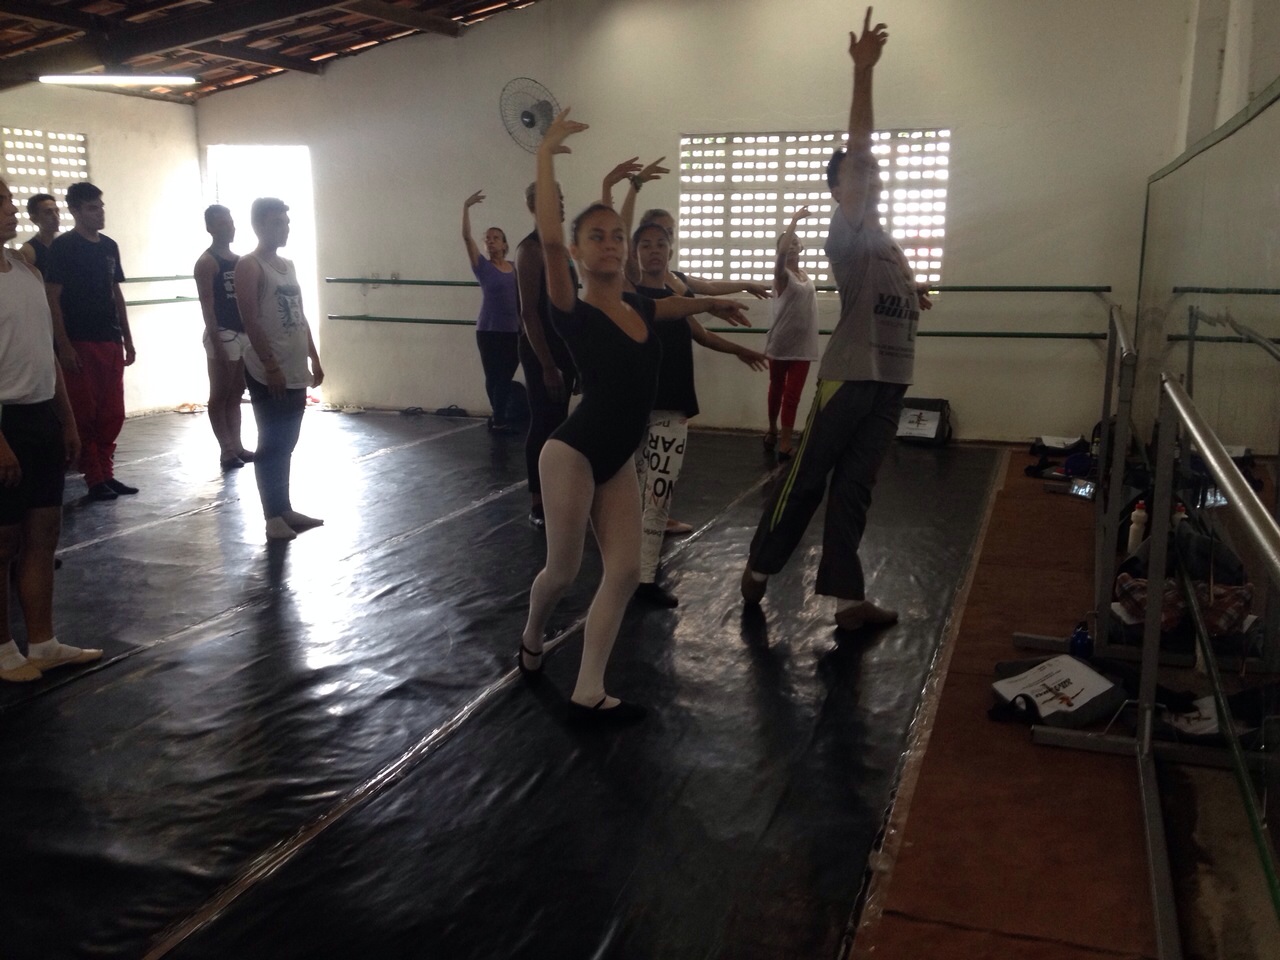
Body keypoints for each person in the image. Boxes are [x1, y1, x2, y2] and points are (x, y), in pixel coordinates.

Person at [518, 110, 750, 723]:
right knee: (564, 570)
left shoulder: (640, 305)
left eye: (616, 236)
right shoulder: (572, 308)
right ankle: (532, 635)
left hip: (617, 459)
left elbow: (674, 304)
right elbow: (547, 241)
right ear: (577, 250)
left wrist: (717, 302)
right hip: (572, 454)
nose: (611, 244)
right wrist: (545, 151)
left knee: (622, 572)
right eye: (597, 236)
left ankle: (588, 690)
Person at [741, 8, 931, 632]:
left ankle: (849, 602)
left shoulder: (884, 240)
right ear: (842, 190)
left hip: (891, 380)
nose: (872, 179)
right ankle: (762, 565)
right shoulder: (846, 231)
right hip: (850, 376)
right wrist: (864, 73)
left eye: (873, 175)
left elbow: (892, 288)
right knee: (808, 480)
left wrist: (913, 293)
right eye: (860, 176)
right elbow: (860, 148)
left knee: (856, 489)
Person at [629, 220, 767, 608]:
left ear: (670, 251)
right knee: (636, 496)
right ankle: (630, 571)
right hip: (633, 409)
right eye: (646, 245)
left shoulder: (679, 297)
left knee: (658, 495)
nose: (654, 251)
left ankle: (644, 579)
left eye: (660, 244)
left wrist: (739, 350)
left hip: (671, 407)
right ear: (635, 253)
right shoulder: (631, 297)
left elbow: (701, 334)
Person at [0, 176, 101, 682]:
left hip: (41, 415)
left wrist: (66, 420)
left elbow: (46, 352)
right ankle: (3, 650)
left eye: (7, 199)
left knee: (43, 534)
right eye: (0, 201)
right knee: (3, 542)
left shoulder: (27, 270)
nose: (10, 207)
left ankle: (42, 642)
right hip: (5, 420)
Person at [233, 198, 324, 542]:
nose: (284, 229)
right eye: (276, 223)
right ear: (259, 226)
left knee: (288, 442)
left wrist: (314, 356)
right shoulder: (249, 265)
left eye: (286, 222)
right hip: (268, 369)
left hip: (294, 365)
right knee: (271, 442)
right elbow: (250, 319)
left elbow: (299, 314)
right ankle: (271, 516)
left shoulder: (288, 265)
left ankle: (283, 508)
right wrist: (270, 365)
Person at [43, 181, 138, 502]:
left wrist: (127, 337)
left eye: (101, 207)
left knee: (113, 412)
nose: (99, 213)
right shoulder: (63, 247)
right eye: (92, 208)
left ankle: (107, 472)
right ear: (75, 211)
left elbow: (115, 292)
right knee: (86, 413)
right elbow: (53, 297)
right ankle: (94, 477)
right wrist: (64, 344)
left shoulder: (109, 246)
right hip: (80, 340)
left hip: (109, 338)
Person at [514, 179, 579, 529]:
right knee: (543, 421)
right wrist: (548, 365)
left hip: (563, 347)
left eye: (562, 197)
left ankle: (556, 491)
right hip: (541, 349)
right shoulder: (530, 250)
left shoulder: (560, 250)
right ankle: (538, 501)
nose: (562, 204)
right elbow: (529, 313)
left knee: (559, 421)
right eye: (555, 199)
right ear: (533, 207)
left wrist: (575, 355)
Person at [194, 204, 255, 470]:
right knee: (220, 393)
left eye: (230, 222)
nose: (228, 227)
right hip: (223, 332)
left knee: (236, 391)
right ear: (210, 228)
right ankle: (226, 450)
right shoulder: (207, 262)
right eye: (221, 223)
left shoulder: (239, 260)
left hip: (241, 332)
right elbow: (207, 305)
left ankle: (237, 445)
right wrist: (216, 340)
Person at [461, 191, 521, 434]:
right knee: (493, 376)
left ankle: (498, 415)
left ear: (505, 244)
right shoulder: (482, 267)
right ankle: (499, 417)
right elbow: (467, 237)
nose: (491, 241)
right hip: (488, 330)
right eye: (488, 239)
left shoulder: (516, 268)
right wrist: (466, 207)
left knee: (505, 375)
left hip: (513, 330)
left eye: (496, 238)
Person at [764, 206, 821, 462]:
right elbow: (782, 252)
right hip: (781, 341)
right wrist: (794, 220)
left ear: (802, 247)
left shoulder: (805, 276)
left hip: (803, 344)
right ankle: (772, 429)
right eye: (790, 242)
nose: (794, 244)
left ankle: (785, 441)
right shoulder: (782, 274)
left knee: (793, 394)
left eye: (797, 242)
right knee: (776, 388)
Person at [18, 193, 59, 276]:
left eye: (57, 211)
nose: (55, 217)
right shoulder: (28, 252)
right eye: (48, 212)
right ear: (34, 219)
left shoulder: (63, 244)